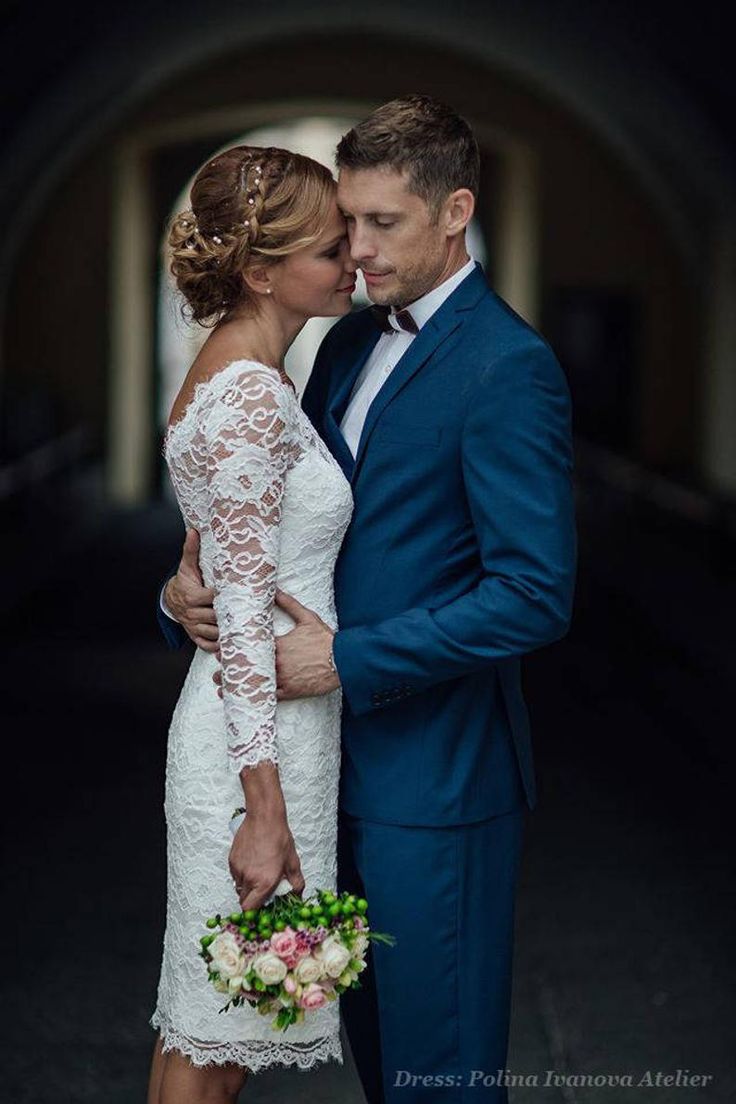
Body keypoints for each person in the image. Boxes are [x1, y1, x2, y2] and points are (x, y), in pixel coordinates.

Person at [163, 95, 577, 1103]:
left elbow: (532, 595)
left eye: (382, 222)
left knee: (439, 1074)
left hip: (434, 789)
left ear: (455, 212)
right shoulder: (339, 342)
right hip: (317, 775)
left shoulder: (508, 367)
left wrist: (342, 661)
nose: (356, 249)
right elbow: (279, 523)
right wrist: (186, 587)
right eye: (346, 222)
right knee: (368, 1058)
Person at [148, 144, 357, 1104]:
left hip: (276, 733)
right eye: (329, 246)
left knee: (220, 1024)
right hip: (252, 756)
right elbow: (236, 616)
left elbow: (214, 567)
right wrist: (264, 815)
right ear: (262, 271)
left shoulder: (250, 376)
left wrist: (172, 591)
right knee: (218, 1041)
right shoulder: (244, 397)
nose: (352, 257)